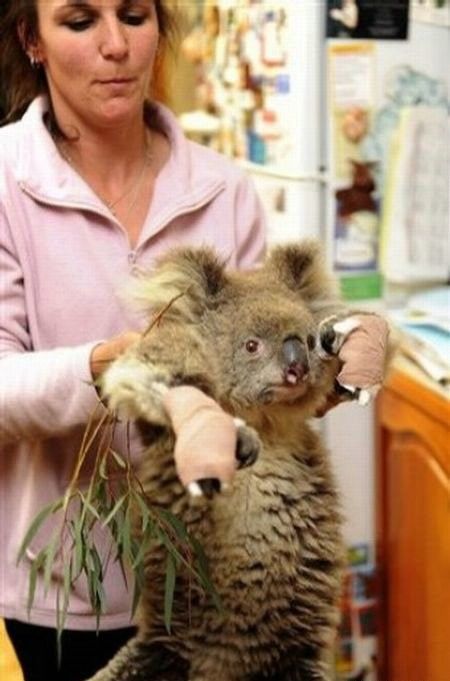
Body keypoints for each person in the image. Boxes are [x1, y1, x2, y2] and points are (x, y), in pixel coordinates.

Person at [0, 2, 387, 680]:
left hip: (227, 573)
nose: (117, 45)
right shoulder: (5, 182)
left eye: (134, 15)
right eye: (80, 20)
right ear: (32, 39)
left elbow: (271, 386)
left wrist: (333, 362)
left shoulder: (223, 187)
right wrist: (109, 369)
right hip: (64, 581)